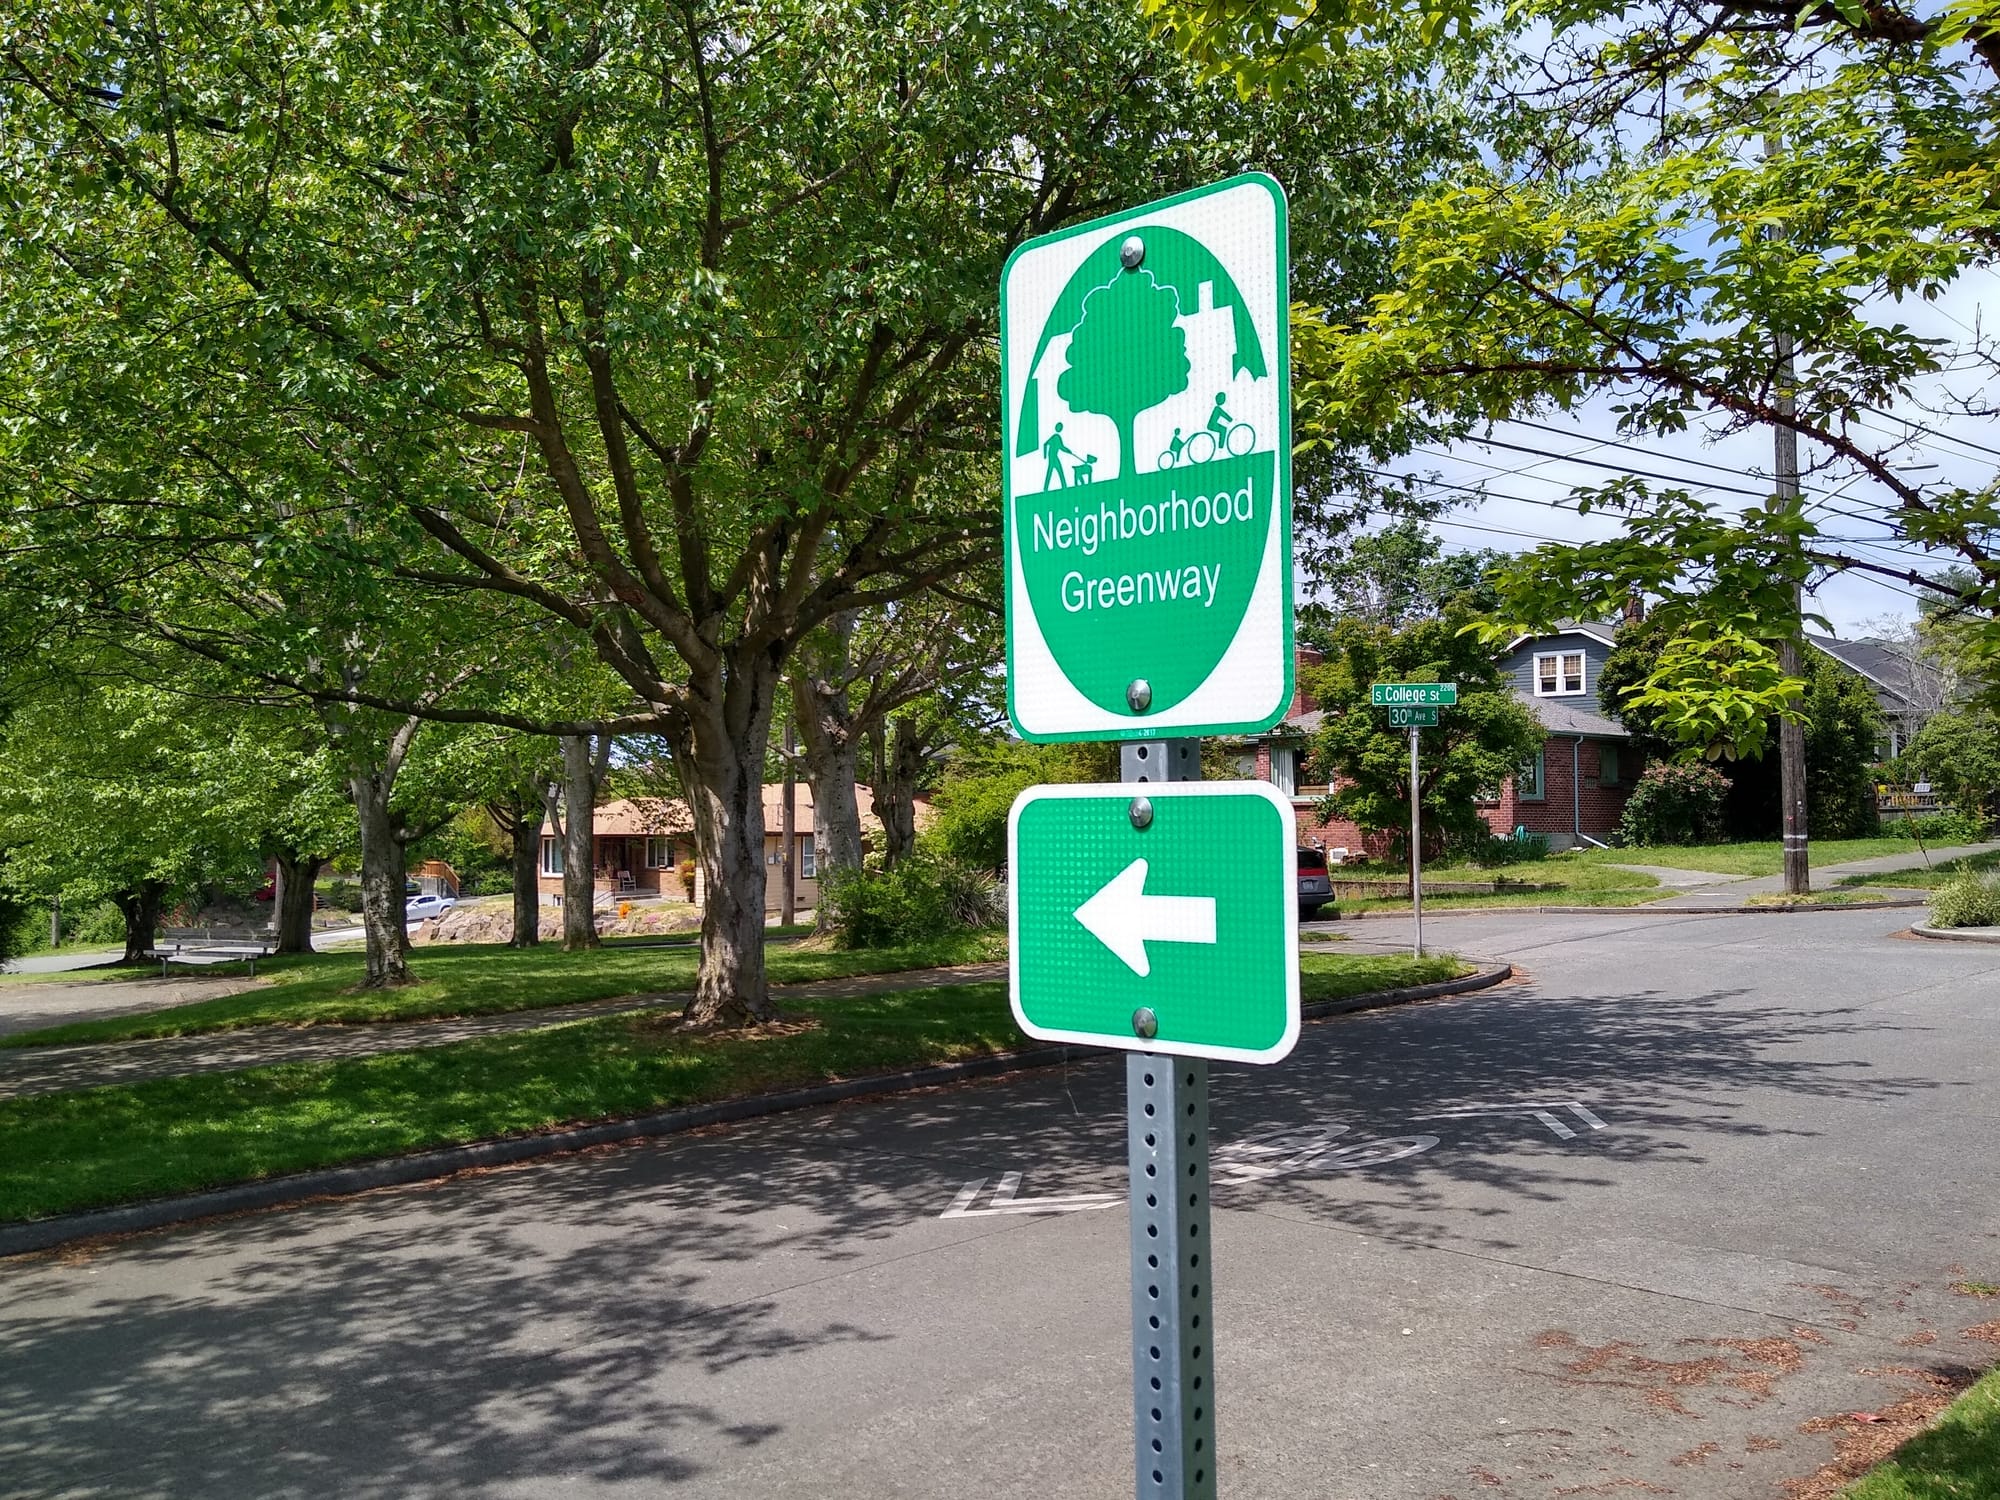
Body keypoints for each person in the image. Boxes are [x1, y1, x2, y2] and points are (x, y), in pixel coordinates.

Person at [1042, 422, 1074, 489]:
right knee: (1058, 471)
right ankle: (1064, 487)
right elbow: (1045, 444)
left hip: (1053, 457)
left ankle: (1046, 488)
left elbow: (1061, 447)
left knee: (1052, 472)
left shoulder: (1057, 437)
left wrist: (1068, 451)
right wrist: (1044, 456)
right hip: (1052, 457)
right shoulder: (1056, 437)